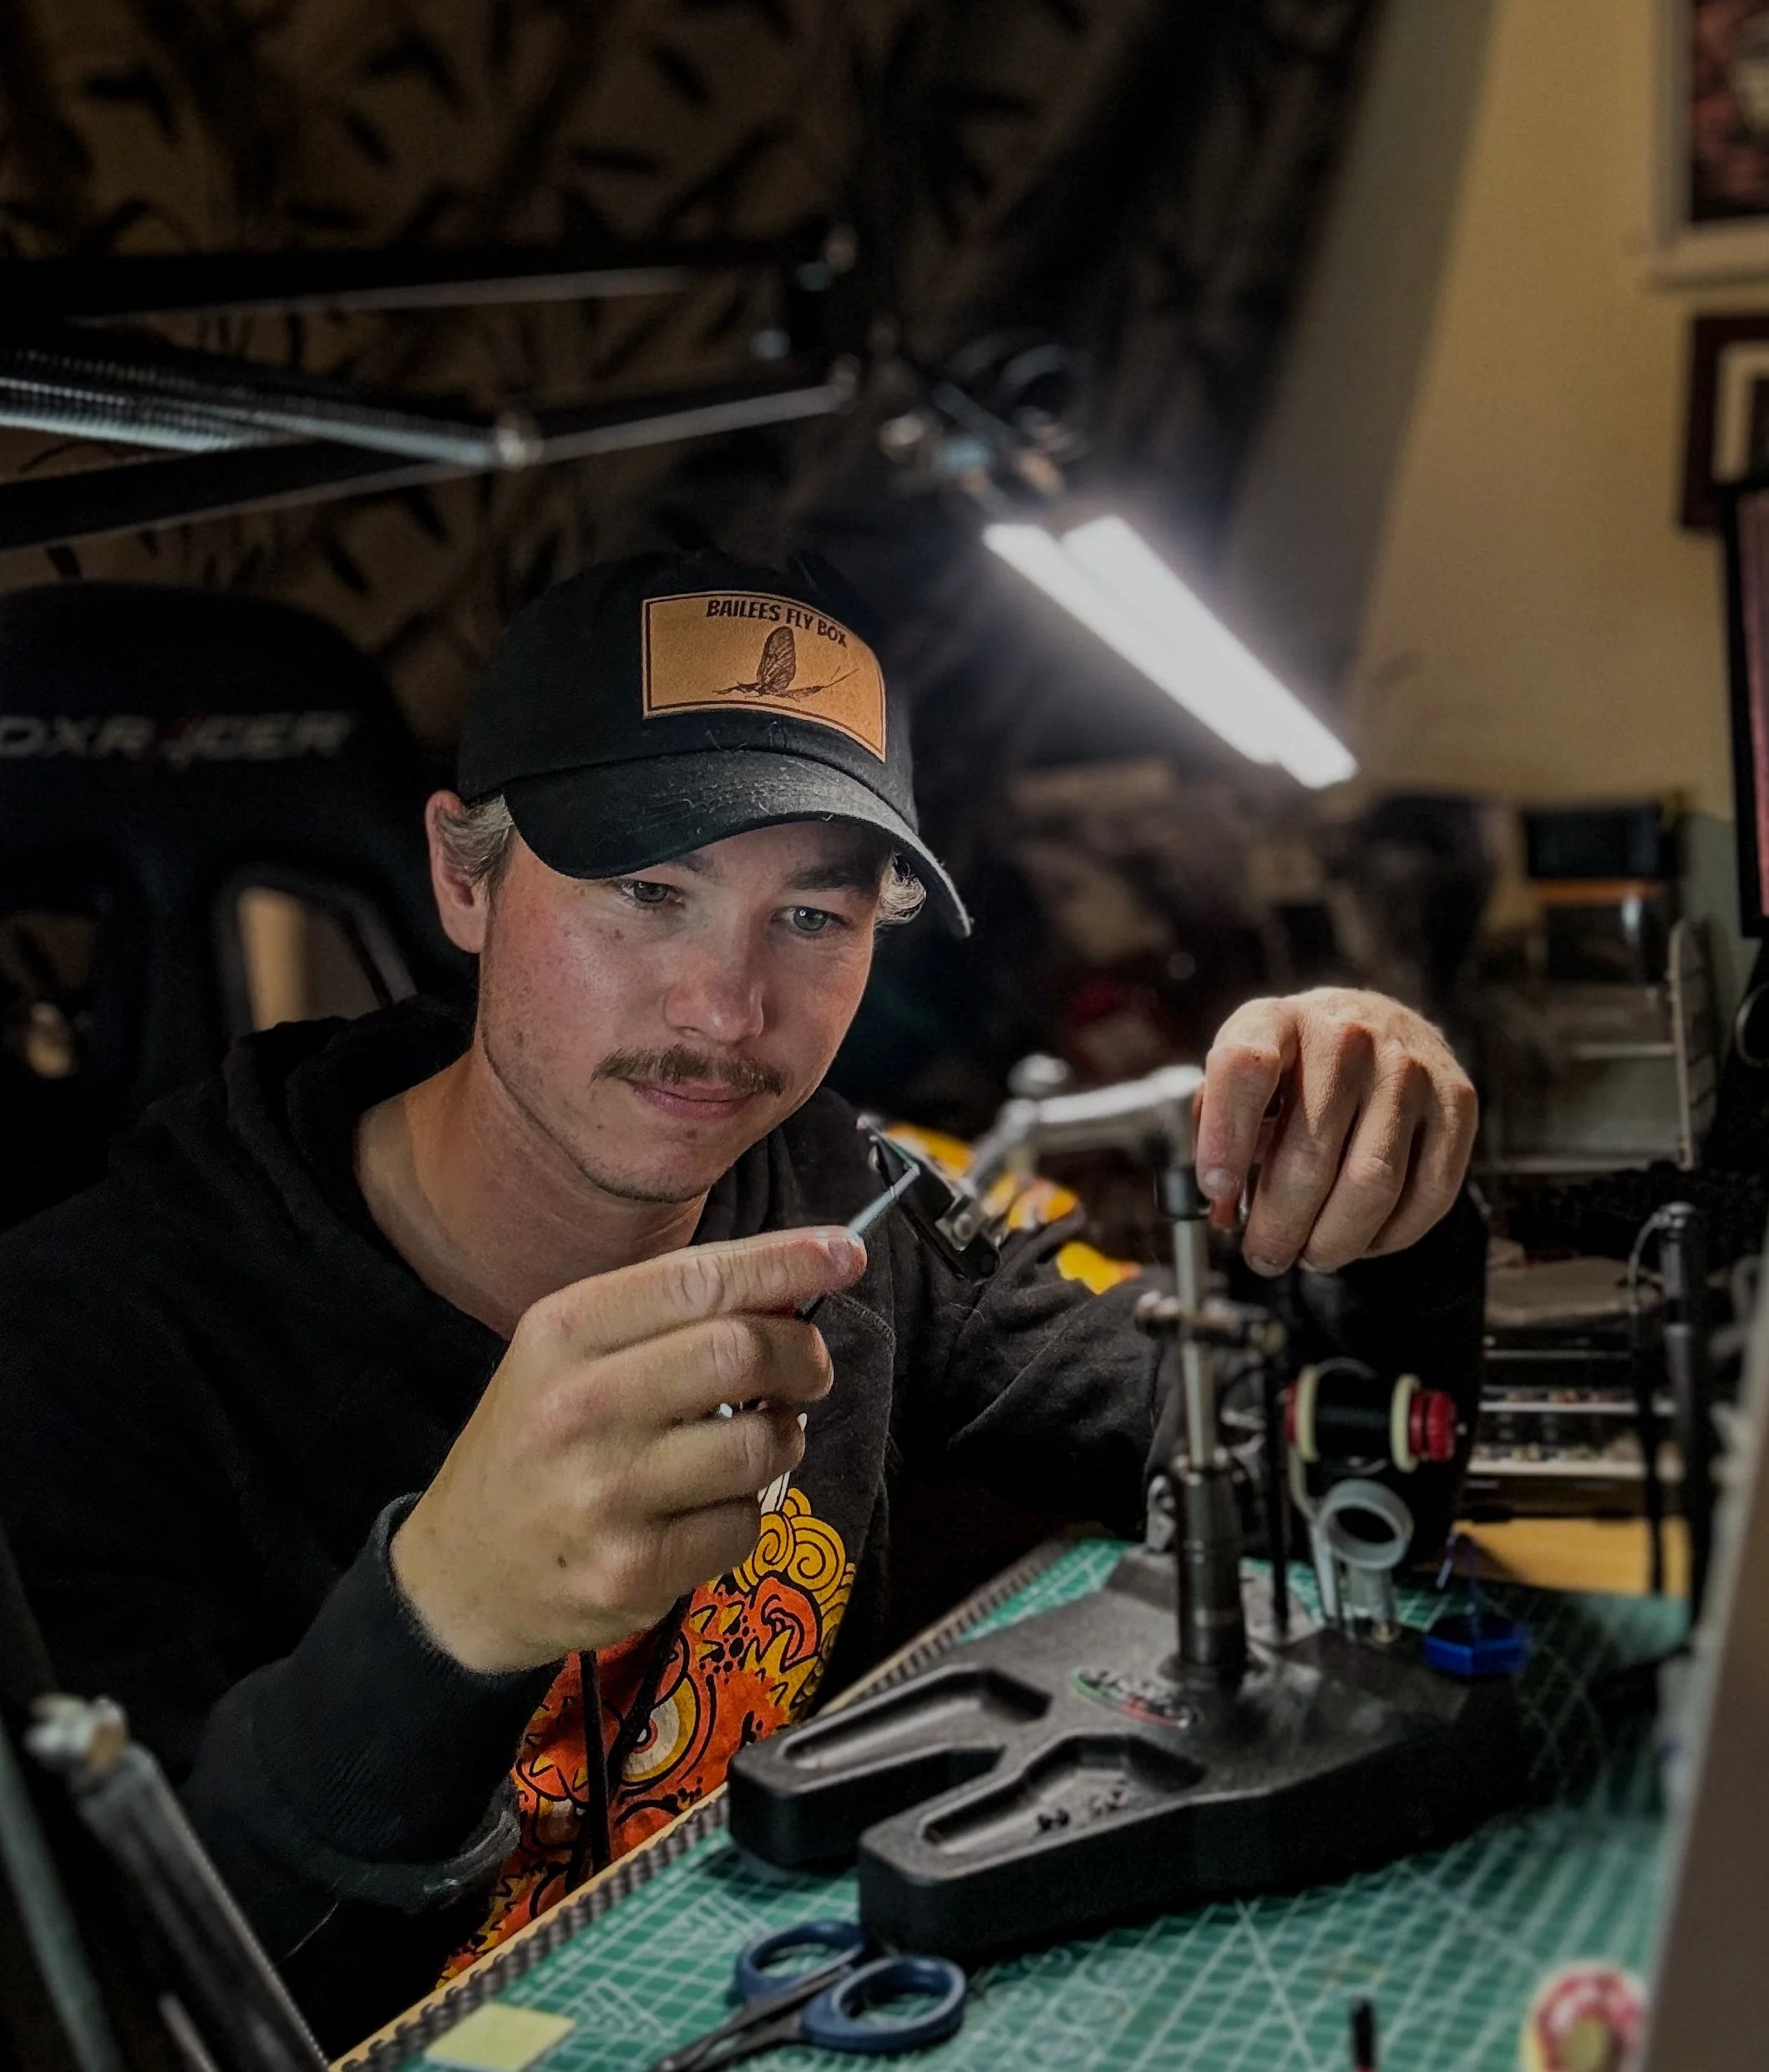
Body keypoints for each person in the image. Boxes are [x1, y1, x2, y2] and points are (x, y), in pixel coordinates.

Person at [0, 552, 1482, 2049]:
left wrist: (1384, 1196)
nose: (725, 1009)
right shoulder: (87, 1343)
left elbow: (1320, 1488)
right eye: (648, 892)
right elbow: (134, 2007)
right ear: (464, 874)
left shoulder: (854, 1212)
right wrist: (435, 1624)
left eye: (815, 920)